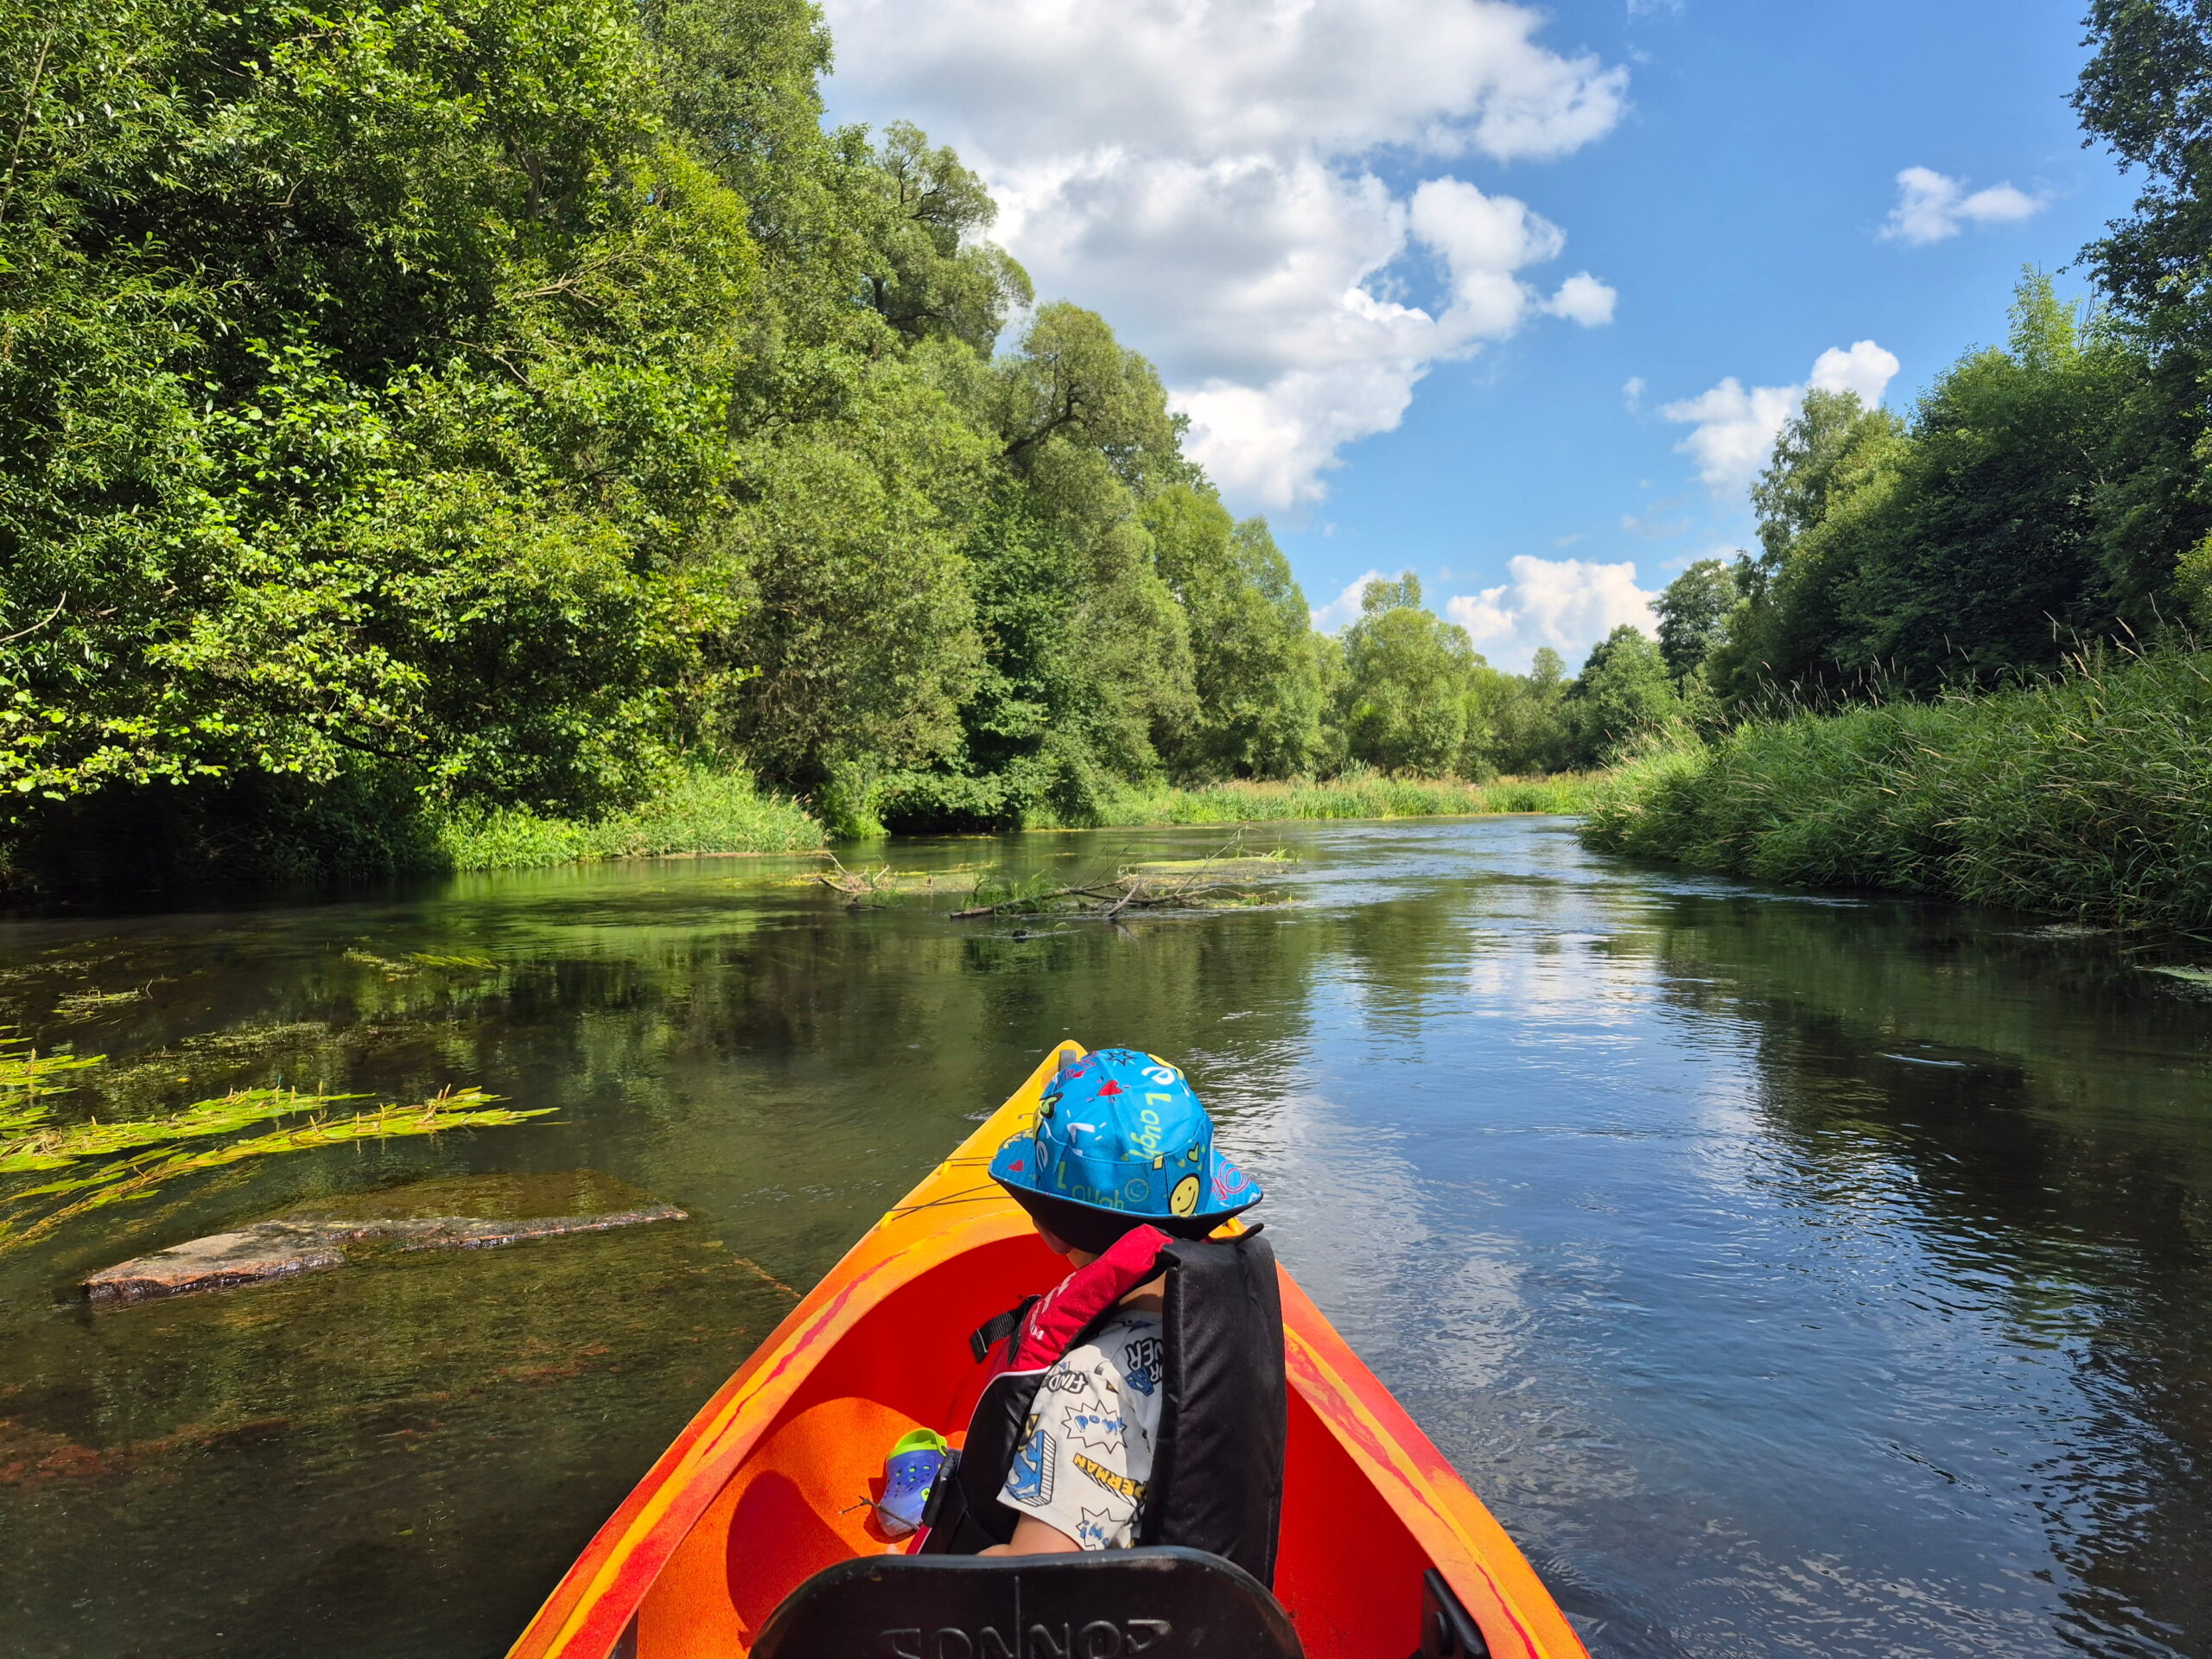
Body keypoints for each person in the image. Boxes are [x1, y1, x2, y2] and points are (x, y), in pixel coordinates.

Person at [920, 1047, 1285, 1583]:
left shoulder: (1087, 1383)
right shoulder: (1227, 1311)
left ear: (1049, 1228)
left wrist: (964, 1567)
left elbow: (1032, 1581)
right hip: (1213, 1608)